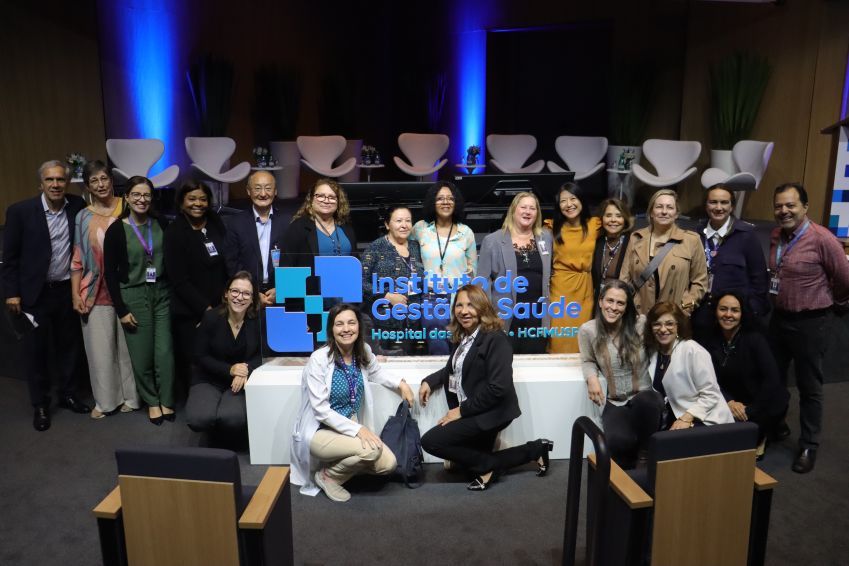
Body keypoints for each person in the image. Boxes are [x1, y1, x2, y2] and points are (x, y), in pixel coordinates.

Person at [419, 284, 554, 491]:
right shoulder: (464, 336)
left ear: (482, 308)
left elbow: (498, 388)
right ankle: (535, 449)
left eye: (471, 305)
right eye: (459, 305)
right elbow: (455, 368)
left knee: (431, 441)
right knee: (468, 466)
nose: (464, 311)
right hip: (476, 409)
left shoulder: (496, 339)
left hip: (491, 412)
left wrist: (461, 411)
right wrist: (430, 380)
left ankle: (489, 466)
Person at [290, 303, 415, 502]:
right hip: (320, 430)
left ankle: (339, 465)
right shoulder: (319, 359)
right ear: (331, 329)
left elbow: (377, 372)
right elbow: (321, 411)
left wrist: (401, 384)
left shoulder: (363, 351)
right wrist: (358, 430)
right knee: (371, 450)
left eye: (351, 323)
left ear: (359, 326)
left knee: (388, 464)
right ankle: (328, 476)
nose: (346, 329)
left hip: (348, 428)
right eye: (339, 324)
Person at [767, 182, 849, 473]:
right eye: (779, 206)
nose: (784, 211)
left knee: (809, 385)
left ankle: (808, 445)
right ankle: (777, 426)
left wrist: (834, 303)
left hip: (811, 322)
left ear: (805, 207)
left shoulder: (822, 238)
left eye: (790, 205)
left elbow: (844, 279)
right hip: (779, 319)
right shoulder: (776, 235)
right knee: (774, 378)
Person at [2, 160, 89, 431]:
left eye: (60, 179)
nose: (55, 184)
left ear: (67, 182)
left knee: (69, 347)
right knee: (36, 351)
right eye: (50, 180)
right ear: (41, 184)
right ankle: (40, 405)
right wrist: (12, 293)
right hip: (34, 294)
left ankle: (68, 394)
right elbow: (10, 258)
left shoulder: (77, 206)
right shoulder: (20, 212)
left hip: (65, 290)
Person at [103, 176, 175, 425]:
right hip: (133, 294)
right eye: (136, 194)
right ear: (127, 197)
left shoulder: (162, 223)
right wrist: (121, 310)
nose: (141, 199)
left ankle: (167, 399)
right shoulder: (116, 230)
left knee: (165, 352)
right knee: (142, 355)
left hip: (161, 292)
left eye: (146, 195)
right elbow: (109, 274)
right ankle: (152, 401)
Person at [70, 160, 138, 419]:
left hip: (127, 287)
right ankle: (106, 401)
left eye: (104, 178)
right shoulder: (83, 217)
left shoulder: (128, 206)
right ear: (87, 187)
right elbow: (77, 258)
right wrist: (75, 294)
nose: (100, 184)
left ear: (111, 180)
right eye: (94, 181)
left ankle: (132, 398)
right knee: (100, 351)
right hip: (94, 290)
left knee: (128, 348)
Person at [579, 280, 663, 468]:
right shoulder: (588, 330)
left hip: (644, 396)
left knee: (649, 401)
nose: (614, 307)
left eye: (620, 303)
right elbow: (587, 360)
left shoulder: (641, 323)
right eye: (610, 301)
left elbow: (662, 344)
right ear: (600, 301)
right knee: (617, 442)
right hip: (615, 401)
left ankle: (645, 456)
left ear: (626, 307)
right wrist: (591, 379)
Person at [702, 291, 788, 459]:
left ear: (742, 314)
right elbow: (708, 379)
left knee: (741, 450)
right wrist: (729, 402)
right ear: (715, 311)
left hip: (761, 401)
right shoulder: (709, 339)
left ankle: (765, 433)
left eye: (735, 310)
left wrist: (750, 411)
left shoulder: (755, 339)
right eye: (723, 309)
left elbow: (771, 380)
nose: (728, 314)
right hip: (732, 400)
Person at [164, 181, 229, 400]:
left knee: (219, 354)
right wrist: (206, 310)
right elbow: (179, 280)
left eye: (202, 199)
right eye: (191, 199)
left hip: (220, 306)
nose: (198, 204)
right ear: (181, 202)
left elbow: (225, 260)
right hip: (190, 310)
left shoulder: (215, 222)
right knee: (193, 358)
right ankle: (194, 403)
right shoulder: (174, 232)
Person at [186, 271, 262, 443]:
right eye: (235, 291)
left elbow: (263, 355)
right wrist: (230, 369)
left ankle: (223, 430)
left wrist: (245, 369)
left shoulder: (258, 320)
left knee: (233, 419)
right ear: (226, 294)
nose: (239, 297)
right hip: (209, 378)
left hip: (239, 382)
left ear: (252, 299)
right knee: (198, 418)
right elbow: (199, 356)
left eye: (246, 293)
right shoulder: (211, 317)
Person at [690, 185, 770, 340]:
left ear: (732, 206)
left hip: (734, 319)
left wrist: (750, 311)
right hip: (700, 316)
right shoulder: (695, 235)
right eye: (713, 202)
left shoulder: (746, 235)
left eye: (724, 202)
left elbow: (759, 279)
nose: (718, 207)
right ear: (706, 205)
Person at [477, 192, 553, 354]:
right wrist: (490, 316)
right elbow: (482, 283)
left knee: (534, 362)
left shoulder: (546, 237)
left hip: (538, 316)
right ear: (513, 210)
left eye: (532, 208)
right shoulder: (493, 241)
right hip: (505, 318)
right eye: (523, 207)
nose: (528, 211)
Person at [411, 181, 477, 354]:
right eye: (440, 198)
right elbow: (406, 253)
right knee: (438, 347)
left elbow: (473, 270)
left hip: (460, 298)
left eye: (450, 198)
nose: (445, 202)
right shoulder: (420, 229)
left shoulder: (466, 232)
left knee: (461, 349)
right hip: (432, 297)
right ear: (432, 202)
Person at [645, 301, 733, 430]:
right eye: (657, 324)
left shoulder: (692, 350)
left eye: (669, 324)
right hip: (674, 419)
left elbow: (711, 394)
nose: (663, 329)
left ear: (678, 326)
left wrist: (686, 418)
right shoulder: (653, 352)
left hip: (706, 419)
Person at [620, 189, 708, 316]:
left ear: (676, 213)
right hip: (639, 316)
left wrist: (684, 310)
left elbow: (700, 283)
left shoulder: (691, 240)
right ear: (651, 212)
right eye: (659, 207)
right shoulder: (636, 238)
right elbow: (624, 279)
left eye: (670, 207)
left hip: (673, 317)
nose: (664, 211)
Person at [361, 205, 424, 353]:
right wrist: (386, 296)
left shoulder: (416, 247)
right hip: (383, 320)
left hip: (412, 321)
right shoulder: (376, 247)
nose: (404, 225)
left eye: (408, 220)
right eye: (399, 221)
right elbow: (360, 282)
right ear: (387, 224)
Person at [548, 182, 601, 353]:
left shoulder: (595, 225)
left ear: (581, 200)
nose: (569, 204)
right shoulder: (550, 227)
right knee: (559, 337)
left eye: (573, 198)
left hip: (584, 290)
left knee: (582, 339)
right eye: (563, 201)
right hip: (560, 290)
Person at [224, 170, 288, 306]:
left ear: (275, 191)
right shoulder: (236, 223)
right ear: (248, 191)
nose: (263, 194)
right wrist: (250, 290)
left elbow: (295, 260)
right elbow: (232, 262)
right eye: (257, 188)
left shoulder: (288, 222)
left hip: (280, 293)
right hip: (245, 294)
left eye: (268, 188)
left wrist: (283, 288)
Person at [282, 178, 357, 268]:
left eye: (332, 197)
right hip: (312, 277)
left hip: (346, 277)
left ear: (338, 202)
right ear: (311, 200)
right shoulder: (298, 227)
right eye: (320, 196)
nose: (326, 201)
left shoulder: (346, 226)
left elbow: (355, 261)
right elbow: (286, 265)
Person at [591, 198, 634, 305]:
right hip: (599, 301)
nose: (613, 220)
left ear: (625, 219)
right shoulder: (597, 242)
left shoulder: (633, 242)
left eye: (618, 216)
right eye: (608, 215)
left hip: (621, 302)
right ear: (602, 218)